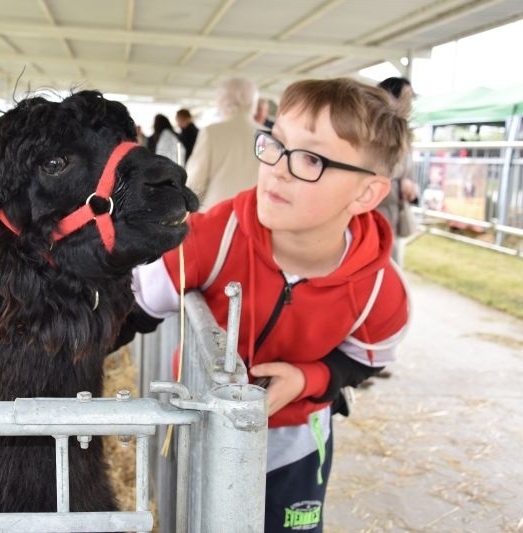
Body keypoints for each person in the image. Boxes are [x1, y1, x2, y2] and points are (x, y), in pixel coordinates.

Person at [122, 77, 411, 532]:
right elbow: (133, 308)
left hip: (296, 447)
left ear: (366, 194)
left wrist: (310, 378)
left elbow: (363, 360)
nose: (277, 167)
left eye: (311, 158)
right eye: (276, 144)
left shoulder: (380, 290)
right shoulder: (209, 239)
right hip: (202, 432)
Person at [185, 77, 260, 211]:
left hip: (216, 213)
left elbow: (195, 181)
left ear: (221, 101)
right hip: (254, 214)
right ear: (253, 102)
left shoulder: (211, 132)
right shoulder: (268, 135)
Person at [376, 76, 420, 263]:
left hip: (392, 205)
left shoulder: (403, 131)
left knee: (390, 255)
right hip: (379, 205)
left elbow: (407, 167)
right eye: (407, 96)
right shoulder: (378, 129)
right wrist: (400, 182)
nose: (410, 102)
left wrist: (409, 185)